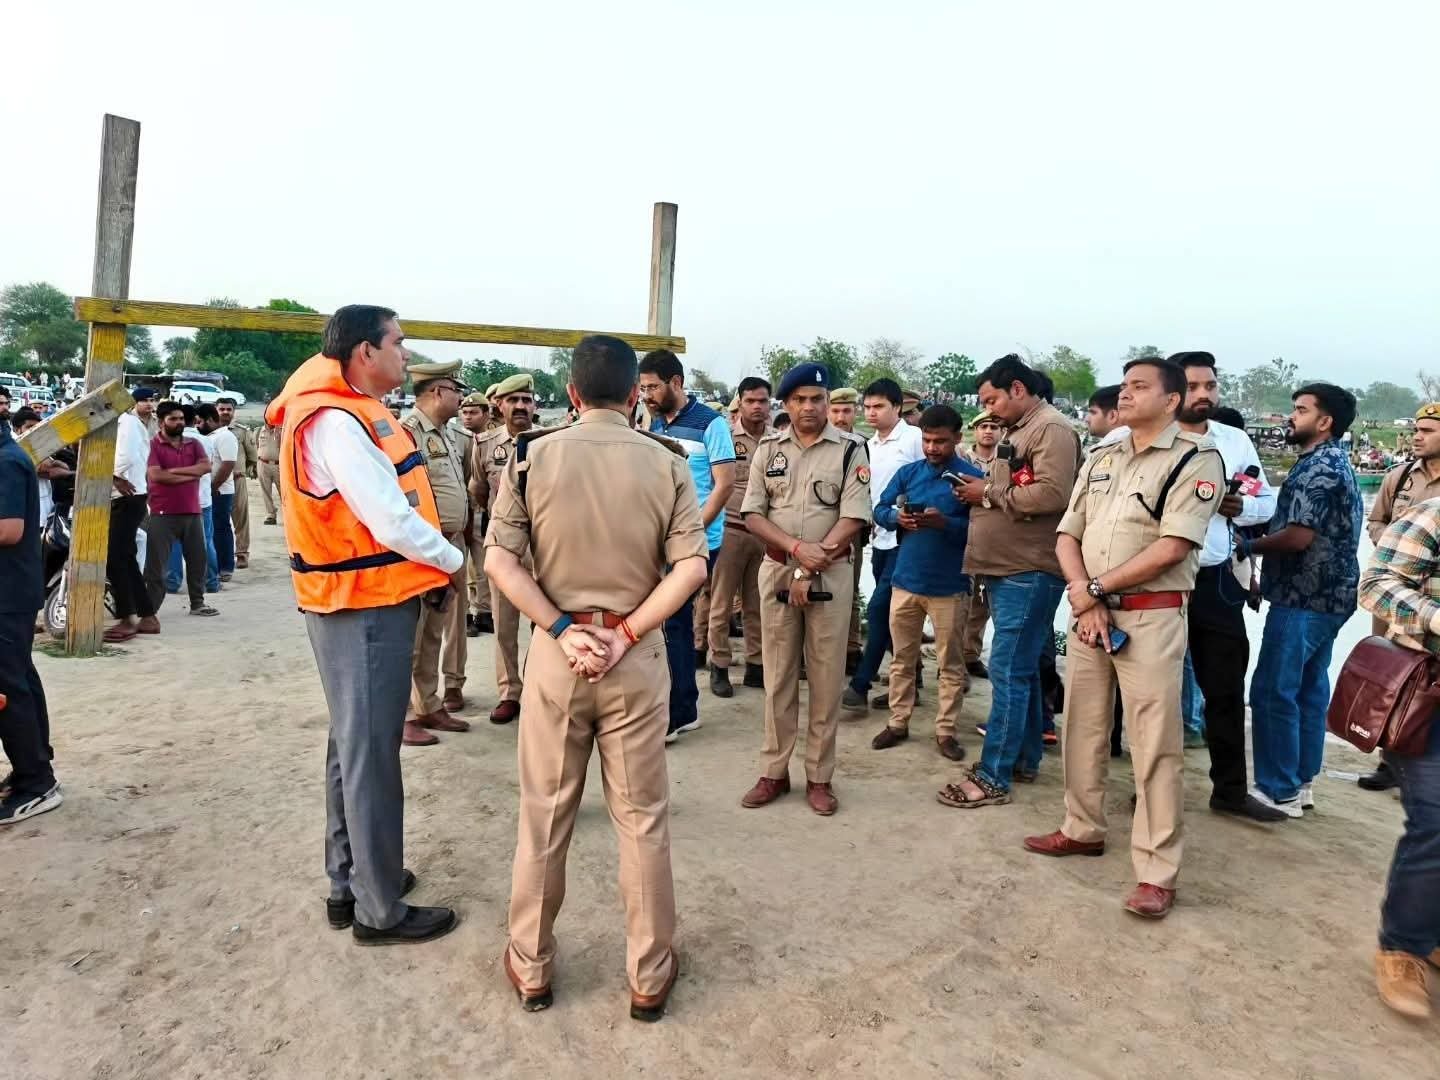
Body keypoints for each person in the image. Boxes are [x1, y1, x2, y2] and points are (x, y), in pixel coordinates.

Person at [485, 333, 708, 1021]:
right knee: (641, 819)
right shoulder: (666, 462)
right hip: (632, 654)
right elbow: (691, 569)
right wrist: (628, 633)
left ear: (572, 394)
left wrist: (558, 628)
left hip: (560, 655)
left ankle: (532, 966)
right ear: (635, 392)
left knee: (544, 817)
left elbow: (500, 562)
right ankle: (647, 973)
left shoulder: (530, 458)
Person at [267, 304, 461, 946]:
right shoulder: (336, 423)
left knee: (349, 745)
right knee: (372, 754)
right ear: (362, 353)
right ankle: (379, 909)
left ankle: (349, 881)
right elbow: (391, 520)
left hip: (354, 600)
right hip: (363, 605)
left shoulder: (340, 411)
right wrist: (453, 563)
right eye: (398, 344)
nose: (406, 355)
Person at [1021, 357, 1223, 919]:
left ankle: (1157, 870)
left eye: (1140, 387)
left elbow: (1173, 546)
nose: (1126, 395)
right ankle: (1082, 828)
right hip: (1090, 615)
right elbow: (1068, 531)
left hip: (1150, 617)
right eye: (1125, 385)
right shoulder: (1104, 454)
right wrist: (1085, 596)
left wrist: (1094, 589)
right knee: (1082, 725)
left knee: (1154, 744)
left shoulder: (1194, 459)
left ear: (1173, 399)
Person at [947, 355, 1081, 803]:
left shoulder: (1052, 430)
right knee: (1019, 671)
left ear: (1018, 389)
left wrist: (984, 492)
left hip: (1029, 570)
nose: (988, 411)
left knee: (1007, 671)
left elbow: (1052, 493)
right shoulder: (1019, 429)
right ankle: (1022, 760)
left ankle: (993, 775)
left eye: (992, 400)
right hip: (1010, 568)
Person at [739, 362, 871, 815]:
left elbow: (854, 517)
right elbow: (753, 514)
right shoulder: (767, 450)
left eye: (817, 399)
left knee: (826, 678)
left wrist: (812, 564)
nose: (809, 407)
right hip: (776, 570)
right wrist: (796, 551)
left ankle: (820, 776)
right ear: (787, 404)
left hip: (830, 575)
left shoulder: (851, 450)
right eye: (799, 399)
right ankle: (773, 771)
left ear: (828, 402)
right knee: (777, 678)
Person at [1161, 353, 1284, 822]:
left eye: (1210, 385)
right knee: (1157, 690)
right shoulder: (1142, 438)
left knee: (1226, 688)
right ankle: (1155, 791)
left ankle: (1230, 790)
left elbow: (1264, 501)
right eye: (1194, 386)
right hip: (1156, 578)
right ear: (1172, 391)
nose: (1205, 395)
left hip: (1213, 579)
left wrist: (1239, 509)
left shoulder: (1233, 441)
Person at [1242, 383, 1362, 818]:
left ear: (1324, 421)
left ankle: (1278, 790)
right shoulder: (1334, 462)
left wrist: (1246, 546)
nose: (1291, 417)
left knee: (1274, 690)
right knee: (1309, 690)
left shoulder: (1317, 468)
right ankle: (1302, 780)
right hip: (1333, 596)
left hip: (1304, 596)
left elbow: (1297, 538)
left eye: (1300, 410)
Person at [1355, 499, 1440, 1020]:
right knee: (1436, 819)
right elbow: (1378, 584)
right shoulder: (1434, 516)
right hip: (1429, 697)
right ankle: (1403, 946)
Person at [868, 405, 982, 760]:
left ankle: (945, 731)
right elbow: (879, 509)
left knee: (950, 665)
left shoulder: (972, 479)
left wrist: (944, 523)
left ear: (957, 439)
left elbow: (981, 533)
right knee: (902, 659)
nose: (933, 448)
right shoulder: (909, 472)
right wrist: (897, 517)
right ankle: (898, 722)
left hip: (950, 586)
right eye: (928, 441)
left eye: (941, 442)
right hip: (906, 580)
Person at [637, 349, 736, 743]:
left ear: (676, 383)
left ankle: (679, 713)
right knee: (664, 624)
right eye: (642, 388)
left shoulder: (711, 424)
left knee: (675, 624)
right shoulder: (655, 421)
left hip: (697, 541)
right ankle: (678, 704)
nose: (645, 394)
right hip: (660, 539)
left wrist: (692, 531)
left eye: (652, 387)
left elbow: (724, 484)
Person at [1359, 403, 1440, 793]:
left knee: (1429, 687)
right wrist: (1389, 544)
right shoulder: (1401, 476)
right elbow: (1376, 519)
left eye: (1428, 430)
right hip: (1394, 594)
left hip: (1432, 600)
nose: (1417, 436)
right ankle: (1388, 759)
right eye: (1417, 429)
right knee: (1390, 676)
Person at [401, 359, 474, 746]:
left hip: (450, 543)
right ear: (438, 391)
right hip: (422, 546)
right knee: (411, 634)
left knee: (434, 630)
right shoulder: (405, 432)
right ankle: (405, 714)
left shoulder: (448, 434)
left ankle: (428, 704)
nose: (461, 397)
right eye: (456, 390)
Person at [842, 379, 924, 711]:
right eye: (868, 407)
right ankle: (912, 678)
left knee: (878, 610)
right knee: (892, 615)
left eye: (879, 407)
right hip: (880, 539)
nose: (871, 413)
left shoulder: (915, 439)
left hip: (910, 539)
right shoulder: (868, 445)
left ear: (897, 407)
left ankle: (860, 685)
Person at [0, 404, 62, 824]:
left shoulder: (6, 461)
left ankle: (35, 783)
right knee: (19, 680)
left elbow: (9, 529)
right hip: (12, 591)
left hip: (7, 594)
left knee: (9, 689)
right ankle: (35, 767)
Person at [470, 372, 538, 725]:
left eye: (527, 400)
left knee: (543, 624)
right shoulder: (483, 445)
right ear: (500, 404)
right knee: (504, 625)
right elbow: (479, 490)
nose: (521, 407)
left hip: (542, 549)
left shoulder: (547, 441)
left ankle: (540, 690)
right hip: (504, 549)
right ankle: (510, 692)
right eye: (513, 400)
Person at [706, 376, 771, 697]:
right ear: (740, 403)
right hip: (730, 530)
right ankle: (719, 664)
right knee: (720, 603)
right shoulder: (726, 439)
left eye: (763, 401)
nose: (757, 407)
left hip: (765, 534)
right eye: (751, 401)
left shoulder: (778, 442)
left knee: (757, 603)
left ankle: (756, 665)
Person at [144, 401, 218, 617]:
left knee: (197, 560)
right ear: (161, 422)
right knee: (156, 567)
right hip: (162, 513)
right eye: (173, 419)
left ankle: (198, 603)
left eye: (180, 419)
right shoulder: (153, 445)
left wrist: (174, 472)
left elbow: (206, 467)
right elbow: (156, 475)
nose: (178, 422)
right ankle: (149, 612)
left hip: (192, 511)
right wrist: (190, 474)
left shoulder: (194, 443)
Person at [104, 387, 160, 643]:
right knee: (124, 556)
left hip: (126, 495)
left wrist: (115, 477)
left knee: (115, 557)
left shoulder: (126, 422)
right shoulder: (130, 422)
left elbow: (124, 457)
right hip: (132, 495)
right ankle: (146, 615)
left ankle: (128, 617)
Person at [960, 410, 1002, 679]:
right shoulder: (962, 457)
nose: (988, 431)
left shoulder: (1007, 458)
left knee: (982, 602)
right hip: (964, 534)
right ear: (975, 430)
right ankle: (952, 658)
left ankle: (971, 654)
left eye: (993, 427)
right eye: (983, 426)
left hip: (994, 537)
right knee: (960, 598)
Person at [163, 404, 220, 596]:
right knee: (206, 542)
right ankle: (211, 581)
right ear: (194, 420)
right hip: (202, 500)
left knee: (175, 544)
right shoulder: (206, 441)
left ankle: (173, 582)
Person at [459, 391, 494, 637]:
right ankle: (465, 615)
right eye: (465, 412)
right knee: (462, 566)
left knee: (482, 567)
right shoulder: (456, 438)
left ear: (486, 413)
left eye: (473, 412)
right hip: (463, 511)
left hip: (481, 511)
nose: (467, 417)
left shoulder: (493, 439)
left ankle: (483, 612)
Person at [196, 403, 238, 583]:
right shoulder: (210, 436)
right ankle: (217, 567)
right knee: (213, 530)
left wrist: (213, 488)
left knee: (221, 529)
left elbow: (228, 464)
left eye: (200, 422)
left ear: (210, 420)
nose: (197, 426)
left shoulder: (225, 436)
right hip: (212, 490)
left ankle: (226, 567)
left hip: (220, 491)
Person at [217, 397, 257, 570]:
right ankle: (218, 553)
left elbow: (251, 457)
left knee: (240, 517)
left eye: (229, 409)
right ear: (216, 410)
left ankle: (241, 553)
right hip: (215, 482)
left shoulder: (241, 431)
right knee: (218, 518)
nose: (225, 412)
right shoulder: (209, 430)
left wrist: (239, 471)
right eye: (222, 409)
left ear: (234, 411)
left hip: (237, 480)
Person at [256, 420, 282, 525]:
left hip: (279, 465)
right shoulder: (258, 431)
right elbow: (256, 446)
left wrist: (278, 432)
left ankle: (289, 515)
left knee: (284, 492)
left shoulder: (282, 430)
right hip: (263, 463)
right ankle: (271, 515)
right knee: (265, 490)